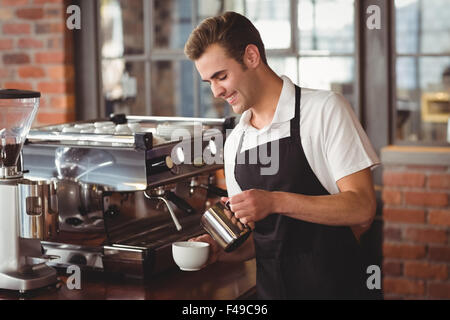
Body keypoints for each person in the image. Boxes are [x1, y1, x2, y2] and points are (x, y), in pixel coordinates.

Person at [185, 11, 380, 300]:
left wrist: (275, 201)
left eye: (221, 76)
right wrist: (220, 251)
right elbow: (261, 241)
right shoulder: (236, 142)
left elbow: (363, 208)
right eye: (209, 82)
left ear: (251, 56)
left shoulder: (324, 110)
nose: (216, 91)